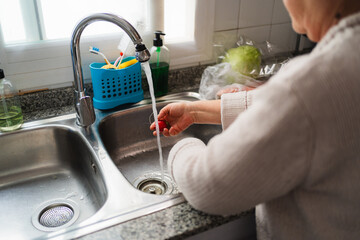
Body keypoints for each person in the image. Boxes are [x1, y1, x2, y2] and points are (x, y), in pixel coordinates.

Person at [150, 0, 360, 239]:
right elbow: (287, 108)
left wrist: (181, 146)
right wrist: (196, 112)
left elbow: (208, 185)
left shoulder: (312, 82)